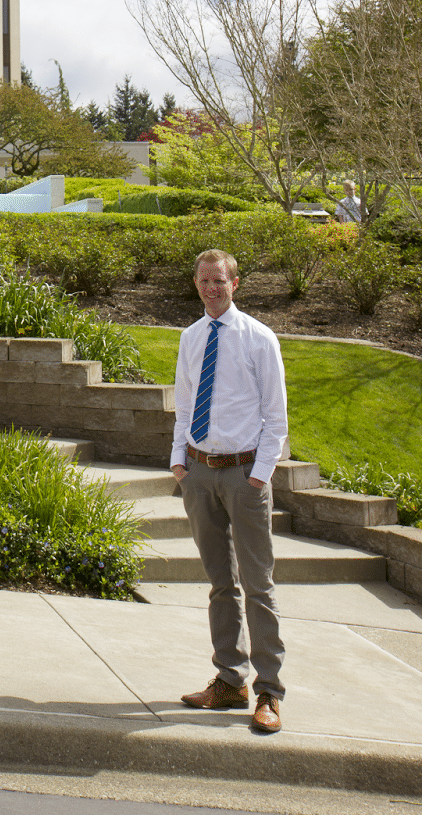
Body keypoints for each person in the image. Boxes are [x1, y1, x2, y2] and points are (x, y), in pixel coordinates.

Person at [171, 247, 288, 735]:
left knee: (258, 585)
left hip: (244, 476)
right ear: (196, 284)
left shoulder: (260, 339)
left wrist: (260, 473)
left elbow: (275, 417)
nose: (211, 288)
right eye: (204, 280)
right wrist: (179, 462)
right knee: (221, 584)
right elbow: (183, 401)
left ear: (234, 284)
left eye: (219, 280)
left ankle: (269, 693)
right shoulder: (191, 337)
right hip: (199, 472)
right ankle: (228, 680)